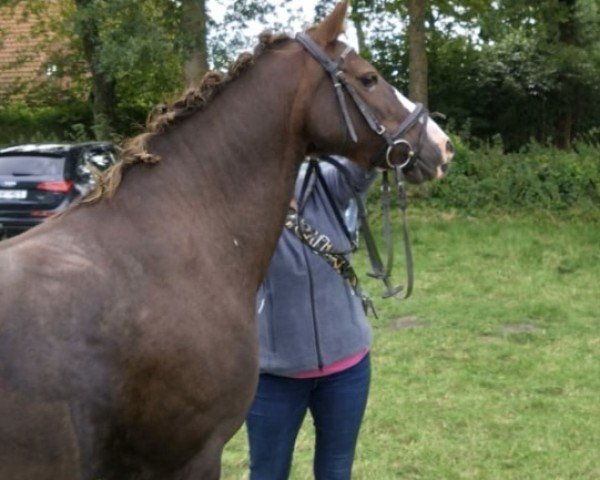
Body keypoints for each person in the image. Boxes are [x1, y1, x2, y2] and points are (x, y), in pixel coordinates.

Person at [247, 155, 377, 480]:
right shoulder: (246, 202)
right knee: (268, 473)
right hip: (274, 375)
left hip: (347, 369)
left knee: (335, 470)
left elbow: (365, 164)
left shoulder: (326, 183)